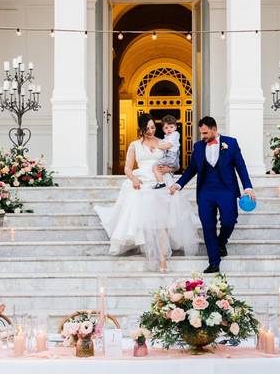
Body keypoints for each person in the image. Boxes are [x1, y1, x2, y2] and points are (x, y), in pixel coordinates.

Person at [95, 113, 199, 271]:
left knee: (163, 220)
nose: (151, 131)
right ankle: (154, 253)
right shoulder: (134, 145)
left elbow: (175, 164)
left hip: (161, 180)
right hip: (142, 181)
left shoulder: (163, 142)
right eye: (147, 128)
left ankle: (162, 258)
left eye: (152, 127)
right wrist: (134, 180)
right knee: (148, 217)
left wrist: (169, 169)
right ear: (141, 129)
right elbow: (127, 168)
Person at [170, 116, 255, 273]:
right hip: (205, 192)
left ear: (214, 130)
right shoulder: (198, 147)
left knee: (229, 221)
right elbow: (191, 169)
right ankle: (214, 262)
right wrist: (178, 184)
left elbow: (241, 166)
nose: (202, 137)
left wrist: (248, 187)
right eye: (201, 133)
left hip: (226, 190)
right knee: (208, 226)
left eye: (205, 133)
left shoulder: (231, 143)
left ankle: (221, 243)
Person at [152, 115, 181, 189]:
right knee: (161, 169)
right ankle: (167, 177)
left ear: (175, 127)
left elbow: (168, 145)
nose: (169, 129)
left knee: (155, 166)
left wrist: (157, 147)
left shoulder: (175, 134)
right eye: (166, 128)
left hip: (171, 157)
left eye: (171, 127)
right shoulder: (166, 137)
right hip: (170, 157)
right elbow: (163, 145)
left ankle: (161, 183)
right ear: (163, 129)